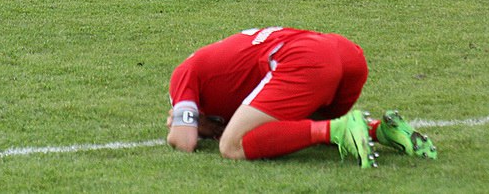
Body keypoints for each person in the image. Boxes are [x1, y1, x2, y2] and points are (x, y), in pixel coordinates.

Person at [166, 26, 437, 166]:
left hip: (305, 60)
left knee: (231, 146)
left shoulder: (184, 72)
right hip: (345, 52)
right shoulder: (225, 60)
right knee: (297, 124)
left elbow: (183, 141)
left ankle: (339, 129)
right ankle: (382, 131)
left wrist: (184, 126)